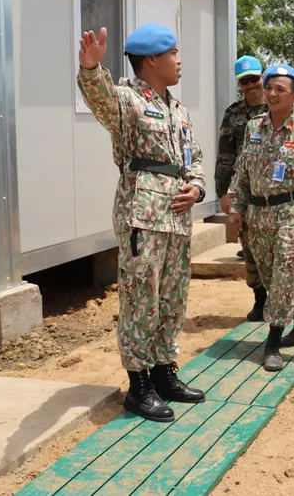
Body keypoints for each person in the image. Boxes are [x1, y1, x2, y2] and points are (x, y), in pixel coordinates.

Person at [76, 24, 207, 423]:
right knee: (141, 301)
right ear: (151, 59)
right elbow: (102, 99)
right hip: (143, 217)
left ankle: (164, 372)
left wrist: (197, 187)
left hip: (177, 219)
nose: (179, 61)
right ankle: (139, 385)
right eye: (173, 53)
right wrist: (91, 70)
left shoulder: (178, 109)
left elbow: (194, 157)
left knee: (172, 299)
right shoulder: (129, 100)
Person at [227, 64, 294, 372]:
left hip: (291, 213)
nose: (271, 94)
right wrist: (236, 207)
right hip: (258, 214)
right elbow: (242, 171)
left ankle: (272, 342)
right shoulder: (253, 127)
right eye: (269, 88)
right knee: (272, 278)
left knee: (284, 273)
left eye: (280, 90)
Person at [215, 55, 268, 322]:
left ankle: (280, 299)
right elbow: (225, 155)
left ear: (263, 77)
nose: (250, 86)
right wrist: (223, 193)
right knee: (249, 247)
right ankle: (260, 299)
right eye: (244, 82)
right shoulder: (233, 114)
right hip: (243, 192)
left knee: (275, 248)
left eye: (253, 79)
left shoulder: (280, 106)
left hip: (275, 191)